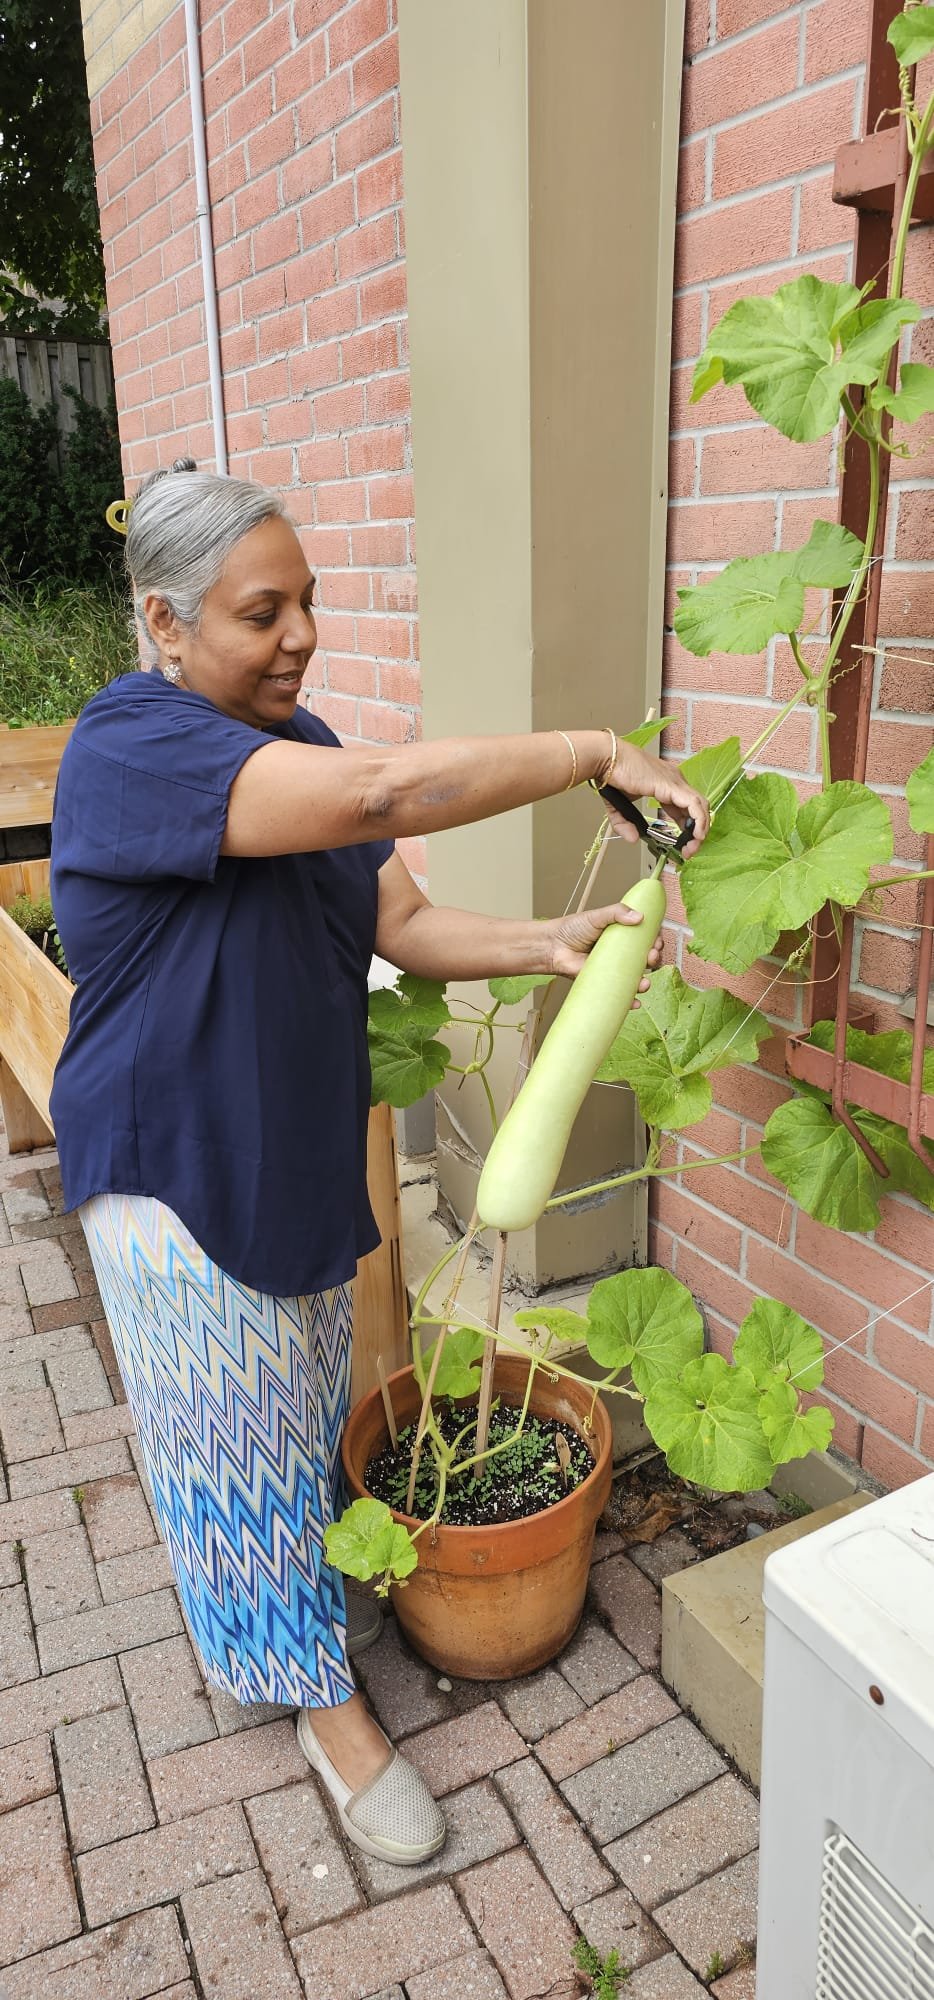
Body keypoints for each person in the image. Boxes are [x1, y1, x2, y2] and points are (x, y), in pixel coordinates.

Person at [49, 463, 708, 1868]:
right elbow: (385, 794)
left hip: (284, 1138)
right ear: (163, 624)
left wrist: (544, 945)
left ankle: (277, 1599)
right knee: (220, 1439)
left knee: (284, 1415)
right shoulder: (132, 742)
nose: (298, 636)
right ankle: (315, 1706)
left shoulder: (305, 740)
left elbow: (399, 916)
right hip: (170, 1158)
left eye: (307, 605)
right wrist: (596, 744)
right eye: (258, 612)